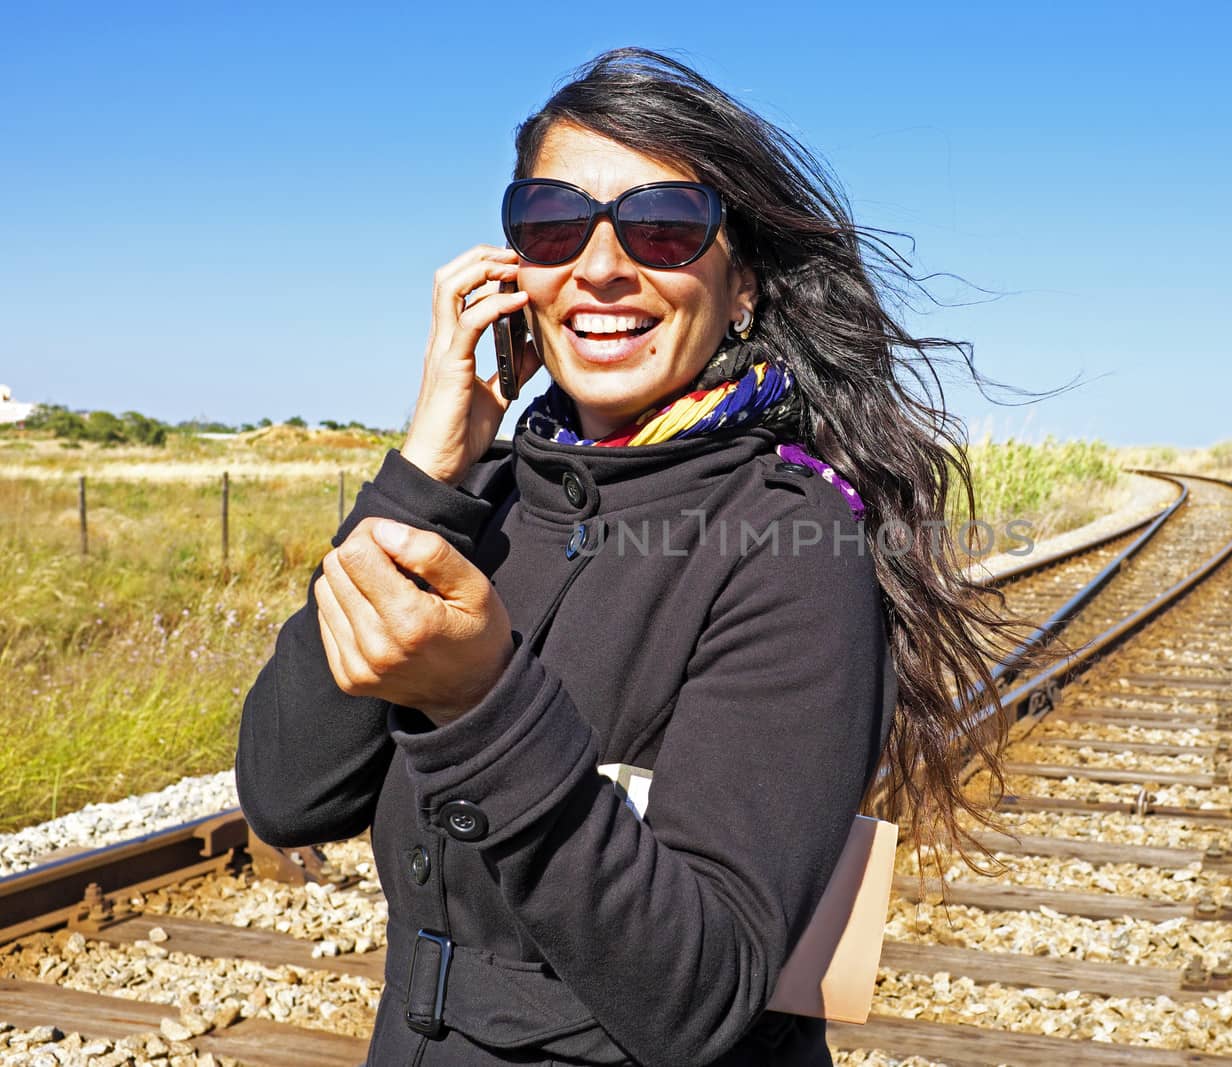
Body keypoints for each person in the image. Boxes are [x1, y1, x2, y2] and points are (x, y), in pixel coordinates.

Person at [237, 48, 1040, 1066]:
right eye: (553, 225)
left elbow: (698, 996)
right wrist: (425, 468)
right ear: (514, 271)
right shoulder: (474, 503)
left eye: (663, 226)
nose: (601, 265)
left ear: (741, 282)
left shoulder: (791, 540)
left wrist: (481, 702)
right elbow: (287, 792)